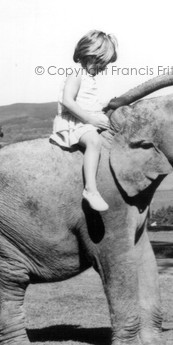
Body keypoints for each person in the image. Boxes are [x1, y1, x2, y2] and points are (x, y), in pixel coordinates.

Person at [49, 30, 118, 212]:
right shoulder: (76, 74)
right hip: (74, 124)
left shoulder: (89, 77)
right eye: (101, 64)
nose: (103, 68)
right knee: (94, 141)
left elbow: (88, 104)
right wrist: (90, 119)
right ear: (90, 56)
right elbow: (68, 101)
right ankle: (90, 190)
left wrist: (106, 105)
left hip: (85, 122)